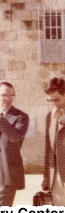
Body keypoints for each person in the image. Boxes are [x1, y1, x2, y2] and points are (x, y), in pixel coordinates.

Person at [42, 77, 65, 205]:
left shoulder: (58, 116)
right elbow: (48, 148)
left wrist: (62, 118)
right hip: (56, 174)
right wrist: (46, 175)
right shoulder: (50, 116)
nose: (53, 103)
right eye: (51, 99)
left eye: (57, 99)